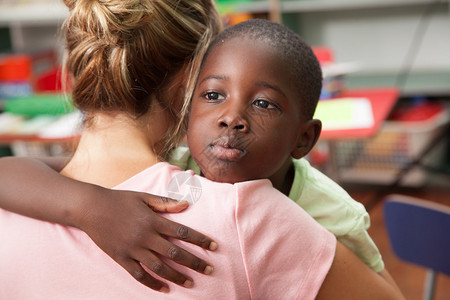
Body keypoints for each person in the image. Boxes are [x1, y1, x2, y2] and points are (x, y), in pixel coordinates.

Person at [0, 4, 403, 298]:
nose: (231, 118)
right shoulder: (245, 217)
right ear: (192, 81)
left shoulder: (19, 206)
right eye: (214, 94)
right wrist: (92, 208)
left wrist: (90, 206)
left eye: (261, 103)